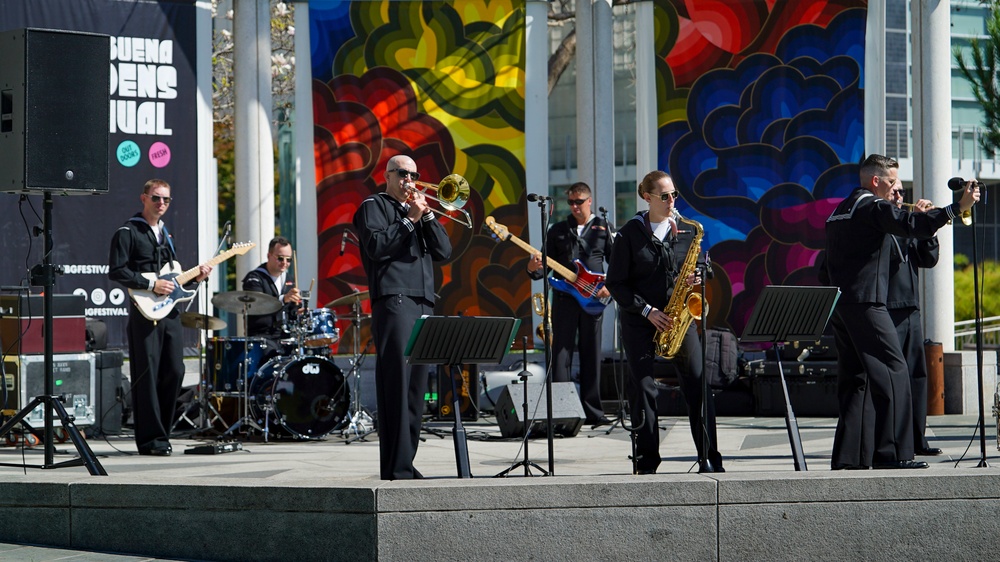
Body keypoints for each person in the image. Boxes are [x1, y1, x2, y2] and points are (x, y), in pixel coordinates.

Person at [825, 154, 977, 470]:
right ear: (875, 181)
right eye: (893, 181)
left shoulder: (840, 211)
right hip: (867, 303)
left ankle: (848, 458)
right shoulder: (872, 206)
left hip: (841, 305)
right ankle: (892, 454)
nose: (897, 189)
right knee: (895, 372)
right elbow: (911, 223)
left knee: (857, 380)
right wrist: (955, 208)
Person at [605, 171, 723, 474]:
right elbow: (616, 284)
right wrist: (647, 311)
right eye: (665, 196)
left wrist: (700, 275)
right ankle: (647, 462)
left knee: (698, 383)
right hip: (641, 319)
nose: (672, 201)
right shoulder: (629, 233)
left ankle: (709, 457)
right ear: (647, 197)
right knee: (644, 388)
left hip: (678, 319)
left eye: (675, 195)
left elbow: (699, 267)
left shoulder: (686, 229)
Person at [353, 155, 453, 480]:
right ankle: (395, 467)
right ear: (388, 175)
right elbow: (377, 246)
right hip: (395, 301)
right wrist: (409, 220)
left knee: (417, 390)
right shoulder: (374, 205)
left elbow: (444, 252)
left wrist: (427, 218)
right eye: (402, 173)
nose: (409, 180)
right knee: (397, 383)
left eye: (414, 174)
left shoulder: (417, 212)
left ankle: (405, 464)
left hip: (424, 302)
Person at [109, 179, 211, 456]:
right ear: (143, 198)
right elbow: (117, 271)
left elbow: (174, 281)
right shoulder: (128, 232)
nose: (161, 204)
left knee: (175, 371)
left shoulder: (168, 236)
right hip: (144, 312)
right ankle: (150, 440)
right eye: (156, 198)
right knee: (147, 374)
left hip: (170, 312)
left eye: (166, 199)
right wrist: (150, 284)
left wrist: (196, 278)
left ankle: (162, 434)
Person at [526, 182, 613, 426]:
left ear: (589, 201)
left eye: (579, 201)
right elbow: (543, 265)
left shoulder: (604, 227)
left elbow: (616, 262)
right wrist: (532, 268)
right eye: (571, 202)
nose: (574, 206)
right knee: (560, 354)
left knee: (591, 353)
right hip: (564, 298)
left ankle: (593, 411)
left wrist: (611, 286)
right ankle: (562, 411)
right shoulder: (558, 230)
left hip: (593, 298)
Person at [886, 187, 943, 457]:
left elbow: (928, 259)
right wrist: (917, 222)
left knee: (917, 376)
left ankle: (918, 437)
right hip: (888, 307)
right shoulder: (884, 221)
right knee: (895, 377)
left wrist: (928, 229)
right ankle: (897, 442)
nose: (900, 196)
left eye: (901, 192)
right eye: (895, 191)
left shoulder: (908, 224)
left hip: (911, 307)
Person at [241, 236, 303, 357]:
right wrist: (283, 299)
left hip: (284, 336)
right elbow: (258, 305)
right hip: (261, 337)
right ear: (269, 256)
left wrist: (299, 311)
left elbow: (292, 310)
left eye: (288, 259)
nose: (285, 263)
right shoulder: (254, 278)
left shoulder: (289, 279)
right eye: (280, 258)